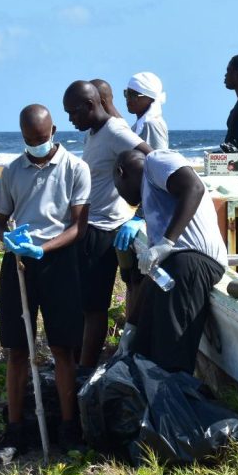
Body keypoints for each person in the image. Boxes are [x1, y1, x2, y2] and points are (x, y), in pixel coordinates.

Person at [0, 105, 90, 460]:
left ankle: (69, 427)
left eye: (41, 138)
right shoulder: (12, 171)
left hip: (59, 260)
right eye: (29, 139)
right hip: (19, 264)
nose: (36, 144)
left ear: (54, 131)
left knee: (63, 348)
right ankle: (14, 430)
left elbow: (79, 226)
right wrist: (8, 239)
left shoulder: (75, 168)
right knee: (18, 349)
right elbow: (0, 222)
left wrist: (43, 249)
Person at [62, 81, 152, 369]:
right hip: (88, 226)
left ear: (90, 106)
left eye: (73, 112)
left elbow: (152, 160)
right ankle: (78, 363)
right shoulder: (94, 132)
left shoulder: (114, 131)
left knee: (94, 308)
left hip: (103, 230)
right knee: (81, 304)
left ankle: (86, 369)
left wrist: (141, 213)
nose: (70, 119)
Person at [113, 149, 227, 373]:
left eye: (117, 189)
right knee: (144, 355)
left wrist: (166, 243)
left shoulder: (155, 161)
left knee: (171, 362)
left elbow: (194, 187)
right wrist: (132, 326)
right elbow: (152, 274)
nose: (121, 196)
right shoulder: (151, 200)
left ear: (120, 172)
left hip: (191, 261)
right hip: (171, 269)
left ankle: (174, 394)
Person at [125, 73, 169, 150]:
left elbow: (157, 156)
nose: (128, 98)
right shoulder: (138, 125)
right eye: (127, 93)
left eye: (134, 95)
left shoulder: (152, 124)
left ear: (151, 98)